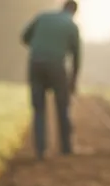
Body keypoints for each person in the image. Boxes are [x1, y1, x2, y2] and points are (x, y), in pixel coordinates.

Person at [21, 0, 81, 159]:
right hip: (56, 66)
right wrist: (73, 82)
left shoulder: (43, 16)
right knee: (62, 106)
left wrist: (39, 48)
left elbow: (24, 37)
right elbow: (76, 58)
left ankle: (41, 150)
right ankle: (66, 148)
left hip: (36, 63)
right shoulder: (72, 26)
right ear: (74, 12)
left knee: (39, 108)